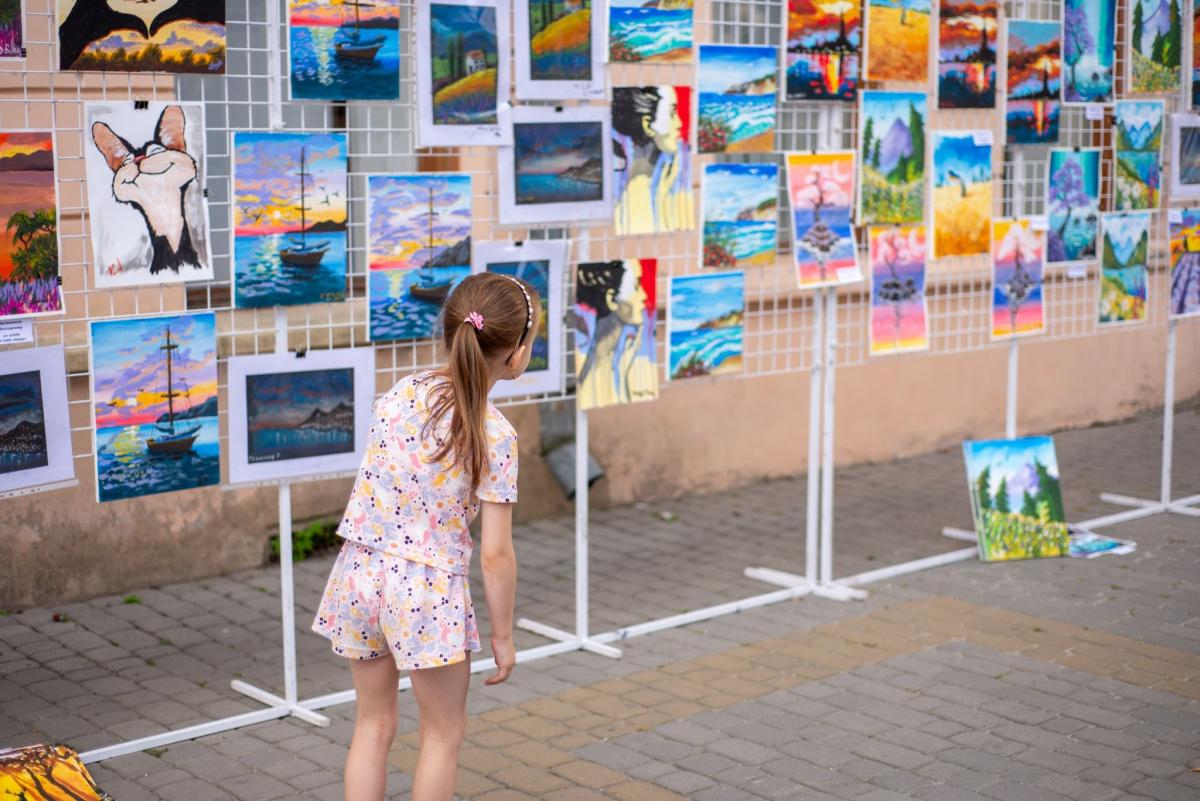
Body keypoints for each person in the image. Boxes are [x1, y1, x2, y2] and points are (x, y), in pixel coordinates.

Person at [312, 272, 538, 801]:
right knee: (442, 733)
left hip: (361, 574)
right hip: (426, 594)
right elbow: (496, 555)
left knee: (373, 725)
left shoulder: (398, 395)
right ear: (515, 353)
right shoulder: (493, 433)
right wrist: (503, 637)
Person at [574, 259, 658, 408]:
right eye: (636, 286)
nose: (644, 295)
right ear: (611, 299)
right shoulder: (596, 369)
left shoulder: (627, 350)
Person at [611, 85, 694, 235]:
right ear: (647, 124)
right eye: (672, 113)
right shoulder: (635, 195)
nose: (679, 123)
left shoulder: (676, 169)